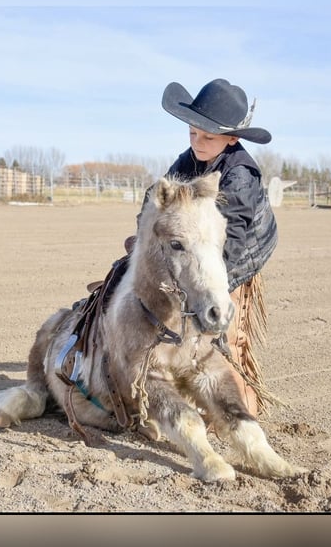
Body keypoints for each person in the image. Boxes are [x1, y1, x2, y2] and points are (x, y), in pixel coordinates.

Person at [140, 78, 279, 418]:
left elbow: (231, 238)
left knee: (224, 334)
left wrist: (211, 286)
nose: (198, 143)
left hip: (236, 255)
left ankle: (243, 412)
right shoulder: (187, 160)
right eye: (192, 134)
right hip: (196, 254)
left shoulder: (241, 175)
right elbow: (159, 204)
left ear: (231, 139)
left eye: (208, 137)